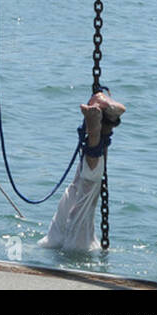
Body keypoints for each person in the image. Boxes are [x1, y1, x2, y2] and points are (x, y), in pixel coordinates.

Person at [40, 90, 126, 252]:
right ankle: (104, 126)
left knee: (79, 187)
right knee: (82, 186)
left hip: (60, 246)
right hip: (74, 247)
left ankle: (98, 130)